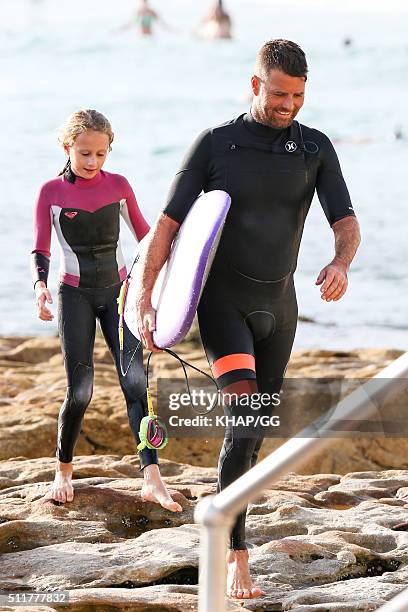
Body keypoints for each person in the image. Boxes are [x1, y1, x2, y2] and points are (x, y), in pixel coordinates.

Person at [134, 40, 361, 598]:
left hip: (280, 310)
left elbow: (346, 220)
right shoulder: (217, 144)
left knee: (254, 433)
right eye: (280, 93)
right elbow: (166, 227)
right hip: (224, 305)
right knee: (245, 417)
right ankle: (235, 551)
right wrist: (147, 299)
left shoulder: (316, 148)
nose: (288, 105)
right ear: (255, 84)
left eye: (299, 96)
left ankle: (223, 514)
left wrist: (340, 261)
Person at [31, 109, 182, 513]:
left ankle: (151, 477)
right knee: (80, 390)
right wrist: (41, 288)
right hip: (74, 295)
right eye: (84, 153)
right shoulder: (51, 192)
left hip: (118, 294)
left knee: (135, 384)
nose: (93, 161)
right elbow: (41, 248)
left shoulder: (119, 186)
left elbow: (147, 238)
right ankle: (63, 471)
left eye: (101, 153)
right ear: (68, 148)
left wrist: (169, 283)